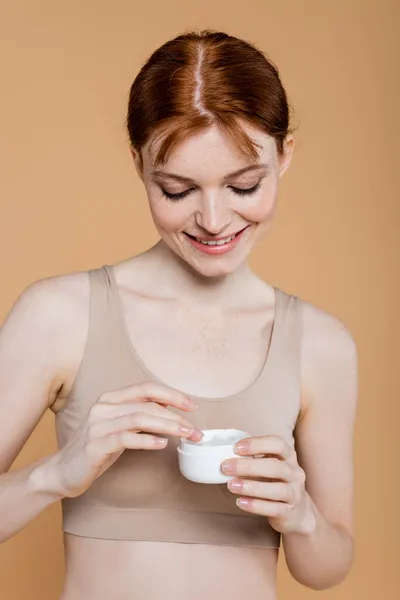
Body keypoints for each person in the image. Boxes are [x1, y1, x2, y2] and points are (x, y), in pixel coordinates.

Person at [0, 29, 358, 600]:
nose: (214, 220)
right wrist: (53, 475)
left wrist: (301, 516)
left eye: (244, 185)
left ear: (284, 156)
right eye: (176, 190)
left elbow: (328, 566)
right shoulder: (59, 314)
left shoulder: (321, 344)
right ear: (139, 162)